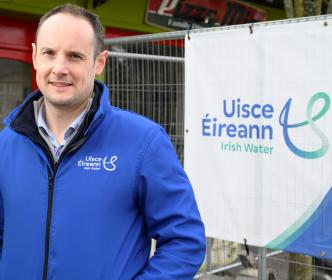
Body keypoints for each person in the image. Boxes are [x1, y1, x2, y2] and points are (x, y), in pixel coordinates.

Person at [0, 4, 206, 280]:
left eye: (74, 56)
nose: (59, 68)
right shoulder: (6, 144)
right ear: (36, 56)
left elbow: (185, 243)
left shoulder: (143, 142)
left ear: (99, 62)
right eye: (50, 53)